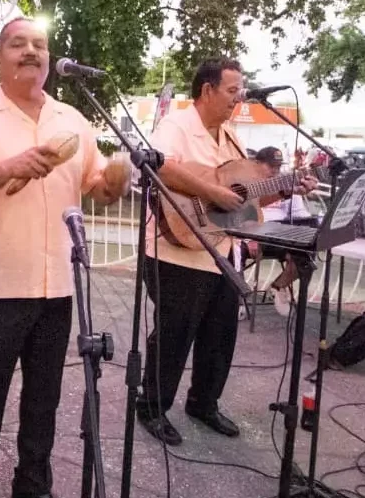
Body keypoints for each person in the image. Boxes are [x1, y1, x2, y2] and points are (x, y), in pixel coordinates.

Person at [0, 17, 131, 498]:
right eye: (18, 44)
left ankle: (33, 484)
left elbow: (100, 190)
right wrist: (8, 167)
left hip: (57, 288)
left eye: (39, 45)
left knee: (44, 399)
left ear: (50, 60)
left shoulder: (73, 120)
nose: (31, 52)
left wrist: (121, 175)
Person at [137, 59, 316, 446]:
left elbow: (243, 200)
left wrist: (288, 187)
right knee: (175, 333)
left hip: (221, 250)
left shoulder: (231, 137)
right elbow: (158, 168)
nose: (239, 98)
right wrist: (210, 191)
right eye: (232, 91)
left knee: (220, 332)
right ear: (207, 91)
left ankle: (203, 402)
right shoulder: (176, 127)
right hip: (176, 249)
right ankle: (151, 406)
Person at [251, 146, 320, 293]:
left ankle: (277, 288)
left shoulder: (284, 183)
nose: (275, 171)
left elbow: (300, 215)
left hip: (279, 236)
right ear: (256, 164)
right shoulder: (249, 184)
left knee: (307, 253)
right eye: (271, 166)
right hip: (253, 234)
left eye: (278, 166)